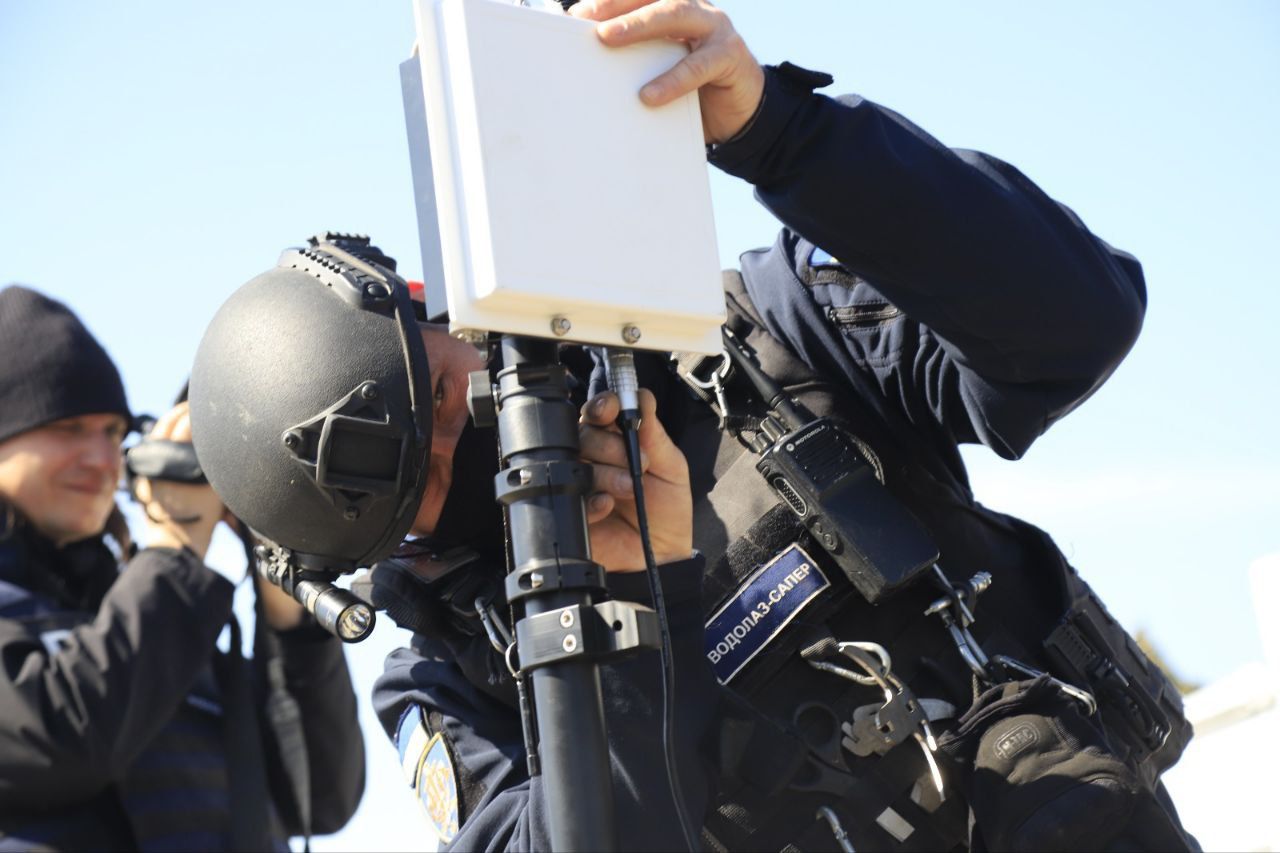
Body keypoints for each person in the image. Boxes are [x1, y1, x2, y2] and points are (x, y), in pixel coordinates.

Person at [185, 1, 1196, 848]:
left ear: (429, 305)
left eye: (443, 397)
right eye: (423, 484)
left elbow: (1075, 322)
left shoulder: (751, 344)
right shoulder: (450, 677)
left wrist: (784, 136)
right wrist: (635, 619)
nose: (470, 449)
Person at [0, 285, 365, 851]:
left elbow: (319, 796)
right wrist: (173, 550)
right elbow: (59, 742)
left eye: (114, 432)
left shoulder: (144, 619)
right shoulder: (155, 604)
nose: (102, 459)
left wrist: (284, 598)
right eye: (69, 428)